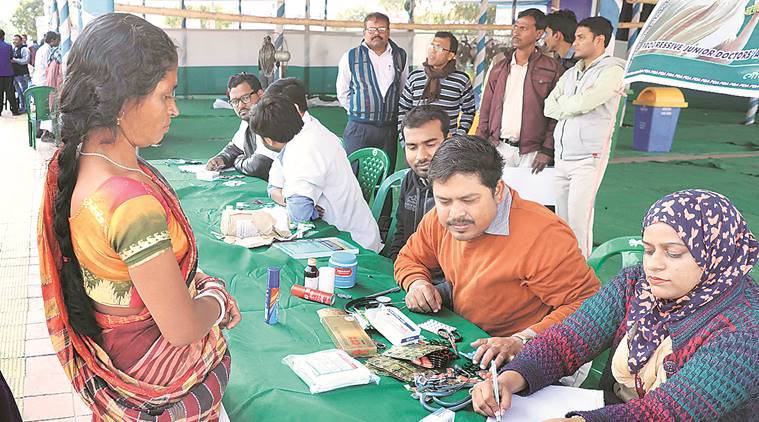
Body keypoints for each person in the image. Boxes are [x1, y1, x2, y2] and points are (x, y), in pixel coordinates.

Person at [37, 14, 239, 419]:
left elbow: (124, 280)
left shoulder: (80, 165)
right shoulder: (129, 203)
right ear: (122, 99)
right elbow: (181, 328)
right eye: (166, 95)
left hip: (121, 364)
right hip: (161, 387)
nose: (175, 110)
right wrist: (217, 300)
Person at [472, 189, 759, 421]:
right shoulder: (637, 285)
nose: (654, 265)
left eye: (673, 253)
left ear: (716, 254)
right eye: (648, 250)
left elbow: (668, 412)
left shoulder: (744, 331)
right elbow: (567, 340)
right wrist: (511, 379)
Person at [394, 136, 599, 367]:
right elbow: (410, 258)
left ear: (498, 191)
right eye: (444, 201)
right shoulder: (438, 219)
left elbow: (586, 304)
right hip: (473, 337)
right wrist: (416, 283)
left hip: (536, 354)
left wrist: (521, 339)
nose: (455, 214)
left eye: (469, 200)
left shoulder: (544, 236)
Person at [253, 94, 382, 252]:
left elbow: (300, 213)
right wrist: (292, 200)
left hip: (352, 244)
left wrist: (302, 207)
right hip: (348, 233)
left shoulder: (302, 150)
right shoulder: (308, 131)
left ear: (268, 140)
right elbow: (274, 187)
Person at [544, 17, 625, 258]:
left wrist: (569, 104)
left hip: (588, 158)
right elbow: (548, 106)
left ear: (599, 40)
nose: (575, 43)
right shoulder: (571, 73)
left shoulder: (613, 71)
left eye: (581, 38)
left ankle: (583, 281)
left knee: (579, 221)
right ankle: (562, 272)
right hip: (562, 157)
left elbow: (587, 102)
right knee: (561, 222)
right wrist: (573, 105)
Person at [475, 9, 563, 174]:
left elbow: (556, 115)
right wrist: (480, 143)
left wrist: (546, 150)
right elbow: (485, 110)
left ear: (538, 33)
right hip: (499, 147)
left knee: (529, 199)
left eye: (523, 28)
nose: (516, 32)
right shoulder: (499, 68)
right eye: (515, 27)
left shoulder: (552, 69)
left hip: (533, 152)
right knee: (498, 196)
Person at [336, 12, 408, 169]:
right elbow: (342, 92)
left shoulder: (400, 56)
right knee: (353, 171)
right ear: (364, 32)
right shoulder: (350, 57)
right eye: (371, 29)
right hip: (359, 127)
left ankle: (382, 195)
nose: (376, 33)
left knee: (385, 171)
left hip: (389, 128)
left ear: (388, 32)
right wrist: (359, 113)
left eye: (382, 28)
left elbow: (403, 89)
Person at [388, 105, 449, 260]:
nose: (421, 156)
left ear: (448, 141)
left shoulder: (463, 186)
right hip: (410, 272)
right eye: (412, 147)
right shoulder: (410, 179)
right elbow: (400, 235)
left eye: (430, 144)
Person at [397, 32, 476, 136]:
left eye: (438, 48)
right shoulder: (415, 77)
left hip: (446, 145)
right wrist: (405, 139)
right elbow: (403, 109)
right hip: (418, 140)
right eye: (431, 46)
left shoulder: (461, 80)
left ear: (450, 55)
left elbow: (469, 112)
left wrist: (457, 138)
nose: (432, 51)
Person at [205, 72, 278, 179]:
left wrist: (238, 161)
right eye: (234, 101)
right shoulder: (248, 118)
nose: (241, 106)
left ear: (261, 94)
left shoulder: (271, 117)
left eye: (245, 98)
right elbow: (235, 149)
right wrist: (220, 159)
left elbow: (260, 165)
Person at [0, 30, 20, 116]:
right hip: (8, 73)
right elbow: (11, 57)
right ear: (3, 36)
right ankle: (14, 110)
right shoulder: (8, 46)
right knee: (10, 92)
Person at [11, 35, 31, 113]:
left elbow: (26, 60)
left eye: (16, 39)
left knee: (24, 92)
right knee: (19, 93)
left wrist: (15, 60)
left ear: (21, 40)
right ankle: (22, 108)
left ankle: (26, 108)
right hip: (15, 74)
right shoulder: (13, 49)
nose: (14, 41)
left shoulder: (24, 49)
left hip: (23, 74)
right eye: (13, 40)